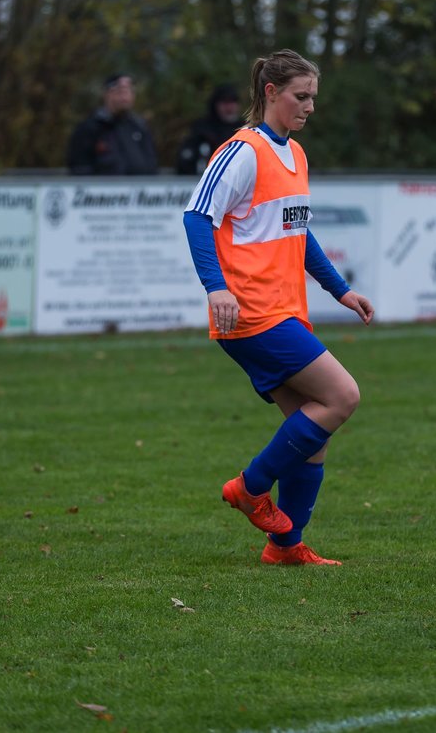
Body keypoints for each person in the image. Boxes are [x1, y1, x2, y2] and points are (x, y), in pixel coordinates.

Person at [182, 49, 374, 566]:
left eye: (313, 97)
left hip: (284, 310)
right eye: (300, 96)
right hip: (249, 312)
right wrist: (215, 288)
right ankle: (249, 488)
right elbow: (197, 217)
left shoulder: (297, 154)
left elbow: (297, 230)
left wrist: (339, 290)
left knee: (312, 438)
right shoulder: (242, 151)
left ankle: (285, 548)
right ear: (270, 92)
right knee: (342, 396)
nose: (309, 106)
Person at [66, 73, 158, 175]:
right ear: (107, 94)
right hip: (102, 189)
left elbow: (151, 163)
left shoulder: (139, 127)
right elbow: (80, 167)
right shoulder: (90, 128)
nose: (125, 97)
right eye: (120, 91)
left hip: (137, 189)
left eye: (129, 91)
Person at [176, 84, 243, 175]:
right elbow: (185, 160)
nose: (229, 107)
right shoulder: (202, 130)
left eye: (233, 102)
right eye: (225, 102)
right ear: (215, 105)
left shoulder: (245, 129)